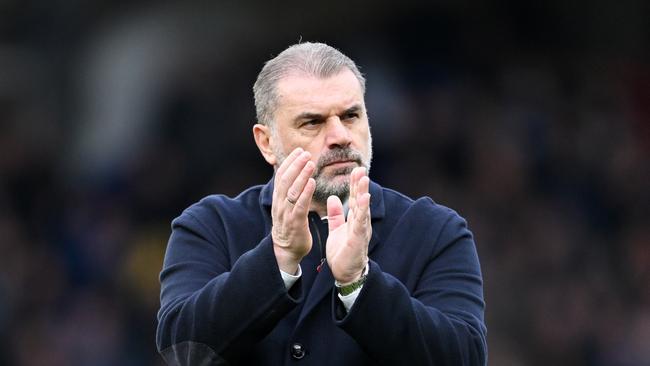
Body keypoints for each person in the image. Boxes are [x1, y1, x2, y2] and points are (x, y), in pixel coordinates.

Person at [156, 42, 487, 365]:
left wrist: (359, 283)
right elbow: (182, 352)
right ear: (266, 142)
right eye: (312, 122)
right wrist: (279, 258)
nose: (340, 135)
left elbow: (464, 356)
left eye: (351, 115)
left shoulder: (435, 231)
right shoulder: (211, 226)